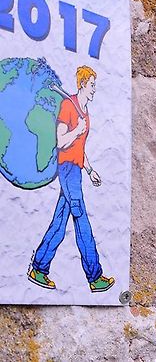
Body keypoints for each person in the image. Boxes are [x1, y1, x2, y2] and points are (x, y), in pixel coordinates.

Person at [28, 66, 114, 293]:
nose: (95, 89)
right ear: (82, 84)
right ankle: (94, 276)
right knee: (82, 218)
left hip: (76, 170)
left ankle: (39, 267)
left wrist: (90, 170)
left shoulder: (84, 112)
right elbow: (61, 142)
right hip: (66, 170)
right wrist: (77, 130)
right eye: (92, 85)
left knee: (60, 220)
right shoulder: (68, 106)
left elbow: (79, 149)